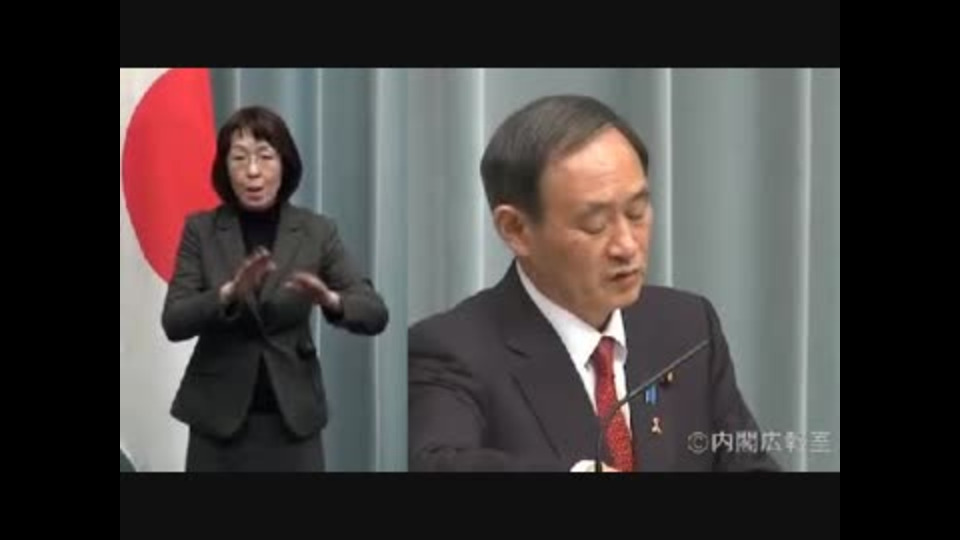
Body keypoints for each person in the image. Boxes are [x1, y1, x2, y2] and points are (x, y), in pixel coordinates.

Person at [408, 95, 779, 472]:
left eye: (637, 212)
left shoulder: (686, 327)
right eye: (595, 224)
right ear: (515, 229)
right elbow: (438, 463)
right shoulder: (453, 350)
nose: (627, 245)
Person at [162, 105, 389, 472]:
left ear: (285, 164)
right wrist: (229, 293)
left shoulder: (317, 231)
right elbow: (174, 320)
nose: (252, 171)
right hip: (216, 423)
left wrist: (330, 299)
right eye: (239, 158)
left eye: (265, 157)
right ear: (225, 168)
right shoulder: (201, 230)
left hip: (293, 422)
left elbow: (374, 313)